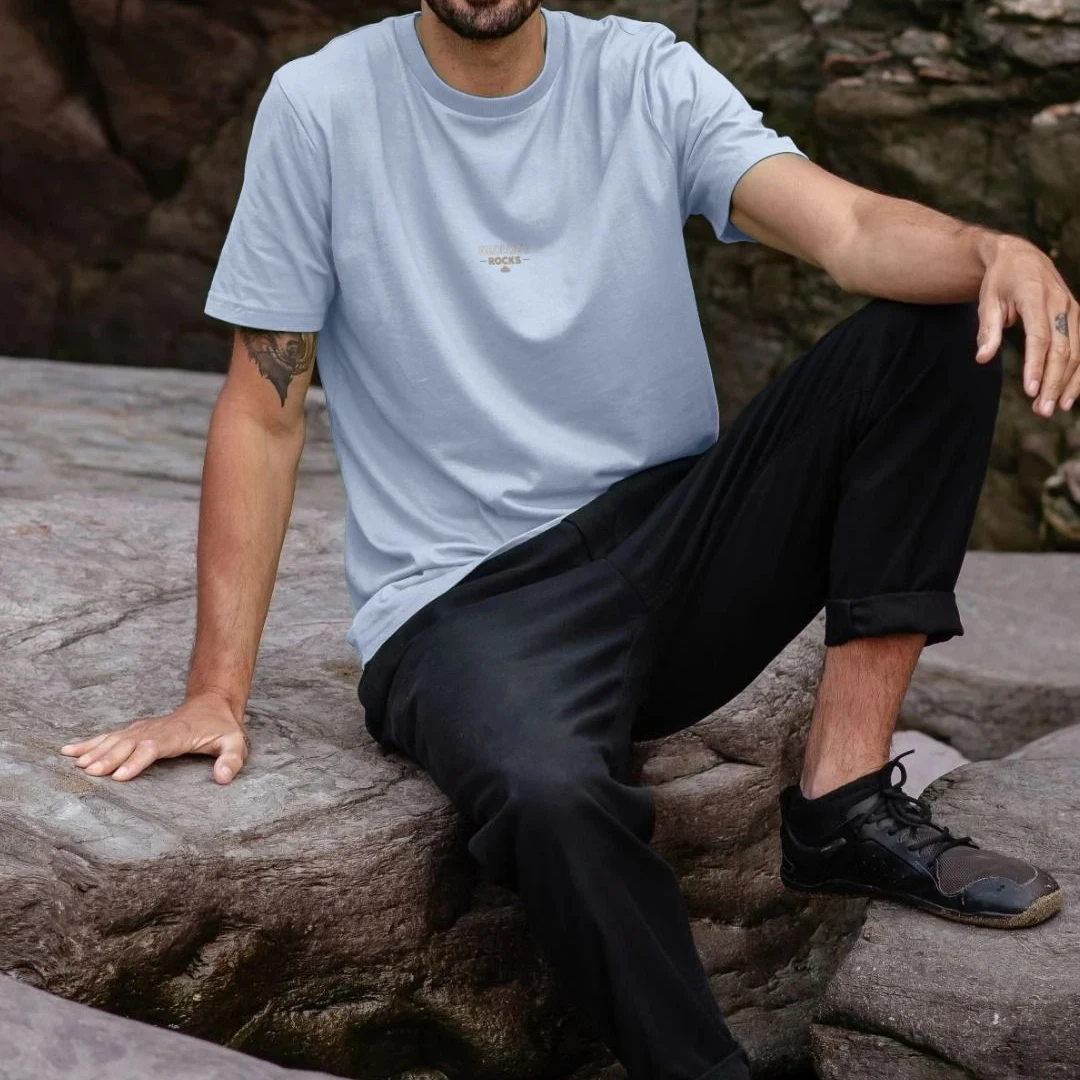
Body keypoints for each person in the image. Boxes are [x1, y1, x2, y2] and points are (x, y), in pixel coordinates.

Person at [60, 3, 1077, 1078]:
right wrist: (214, 691)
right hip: (467, 607)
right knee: (551, 797)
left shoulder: (644, 73)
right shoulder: (321, 107)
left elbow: (853, 231)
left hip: (674, 541)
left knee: (943, 320)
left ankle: (844, 802)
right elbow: (264, 414)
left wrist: (995, 250)